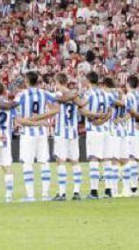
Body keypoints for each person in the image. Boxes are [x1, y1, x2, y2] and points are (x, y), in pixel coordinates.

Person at [14, 71, 60, 202]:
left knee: (27, 163)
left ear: (27, 81)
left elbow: (18, 116)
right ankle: (45, 195)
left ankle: (30, 196)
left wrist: (32, 120)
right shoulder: (44, 93)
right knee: (44, 162)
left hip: (28, 133)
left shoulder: (21, 95)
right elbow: (56, 109)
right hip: (41, 132)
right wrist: (42, 119)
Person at [79, 72, 112, 199]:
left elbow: (83, 108)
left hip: (94, 130)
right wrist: (103, 121)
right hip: (106, 130)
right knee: (106, 160)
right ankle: (108, 190)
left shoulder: (88, 93)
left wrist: (96, 118)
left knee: (94, 159)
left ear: (88, 81)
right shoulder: (105, 93)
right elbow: (110, 111)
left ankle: (94, 191)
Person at [50, 73, 81, 201]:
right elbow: (81, 106)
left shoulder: (58, 94)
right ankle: (76, 192)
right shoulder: (74, 95)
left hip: (61, 133)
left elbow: (55, 107)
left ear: (57, 82)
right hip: (73, 132)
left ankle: (62, 193)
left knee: (60, 161)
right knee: (75, 162)